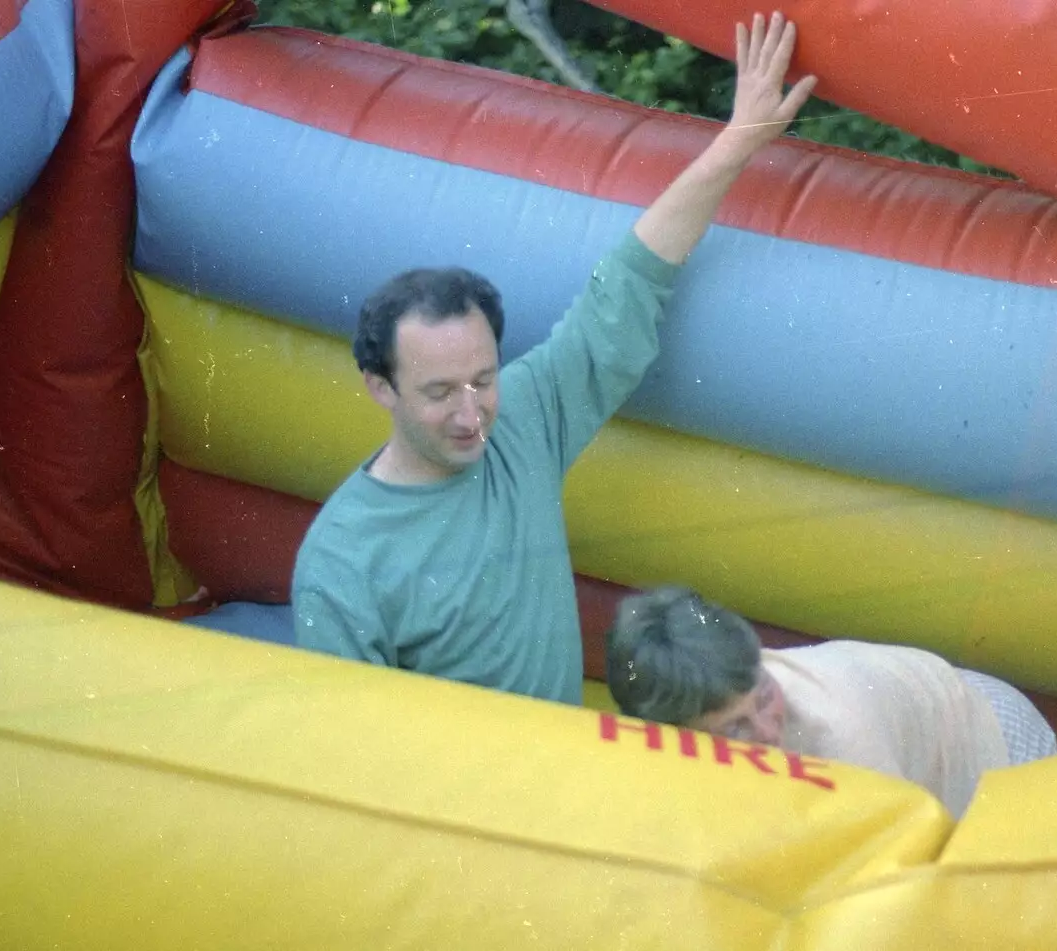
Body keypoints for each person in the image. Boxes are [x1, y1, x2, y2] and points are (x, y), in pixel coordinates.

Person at [291, 13, 818, 706]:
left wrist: (738, 138)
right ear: (380, 388)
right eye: (439, 391)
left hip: (566, 776)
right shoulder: (343, 561)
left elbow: (625, 285)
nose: (470, 412)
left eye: (482, 379)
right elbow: (348, 746)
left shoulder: (522, 421)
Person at [605, 586, 1057, 817]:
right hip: (916, 707)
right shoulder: (690, 705)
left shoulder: (843, 739)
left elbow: (899, 883)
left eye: (765, 697)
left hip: (995, 744)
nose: (766, 731)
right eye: (735, 729)